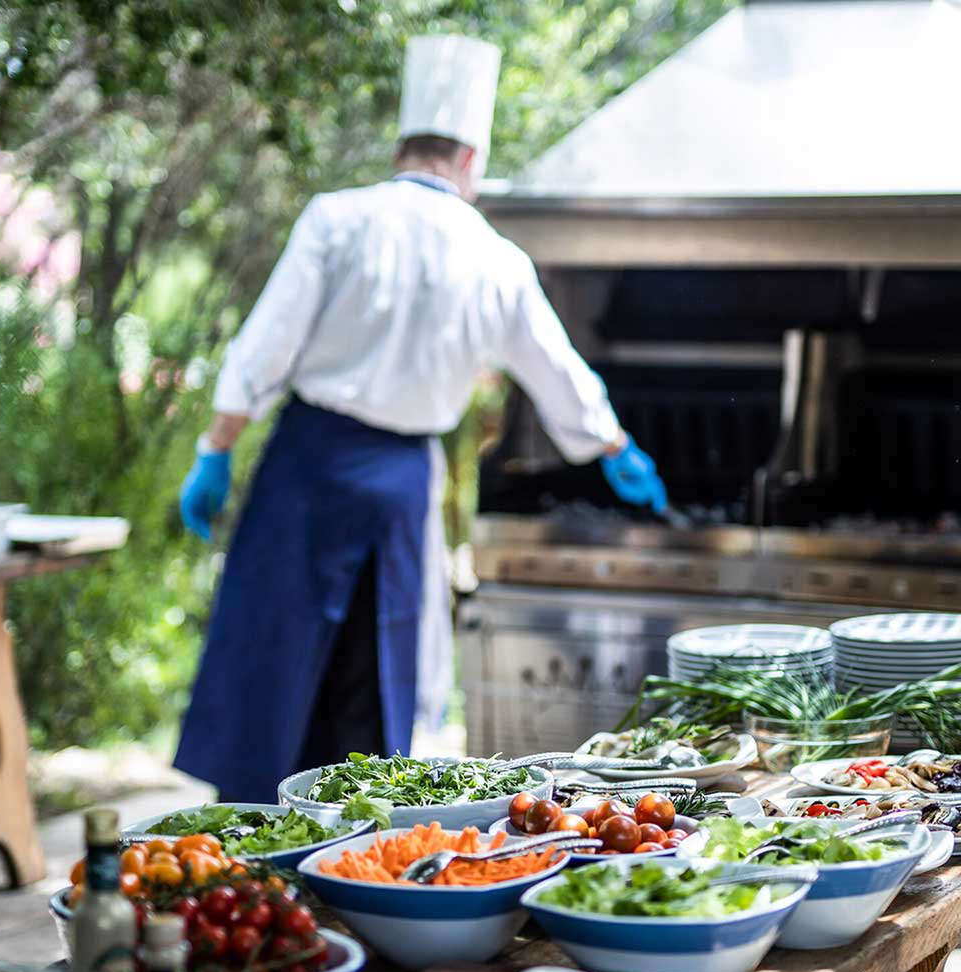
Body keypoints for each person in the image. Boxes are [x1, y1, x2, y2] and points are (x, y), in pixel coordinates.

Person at [171, 33, 669, 803]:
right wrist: (613, 446)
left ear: (403, 145)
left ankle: (250, 837)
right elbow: (556, 370)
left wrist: (216, 450)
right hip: (403, 481)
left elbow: (264, 348)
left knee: (275, 656)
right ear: (471, 159)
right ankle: (354, 837)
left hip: (308, 464)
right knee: (378, 666)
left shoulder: (336, 219)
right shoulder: (496, 256)